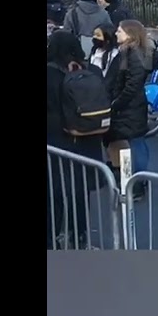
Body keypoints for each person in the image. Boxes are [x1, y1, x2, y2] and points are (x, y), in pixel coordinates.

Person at [46, 31, 104, 249]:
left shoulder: (50, 74)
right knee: (80, 192)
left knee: (54, 193)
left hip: (55, 141)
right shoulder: (91, 71)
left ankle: (53, 238)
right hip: (86, 140)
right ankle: (79, 236)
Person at [105, 20, 151, 201]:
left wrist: (117, 102)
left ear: (130, 34)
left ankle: (138, 183)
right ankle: (137, 180)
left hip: (130, 107)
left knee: (135, 143)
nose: (116, 33)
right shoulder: (130, 52)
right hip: (131, 107)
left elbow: (133, 84)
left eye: (120, 30)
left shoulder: (132, 54)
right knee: (135, 142)